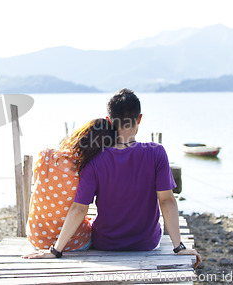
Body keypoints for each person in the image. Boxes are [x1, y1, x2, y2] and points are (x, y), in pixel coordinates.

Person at [23, 89, 201, 268]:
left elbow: (79, 208)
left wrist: (56, 250)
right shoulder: (157, 153)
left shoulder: (94, 159)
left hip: (105, 243)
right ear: (139, 119)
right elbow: (167, 201)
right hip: (147, 243)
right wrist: (178, 247)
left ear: (109, 121)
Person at [26, 118, 116, 251]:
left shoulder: (45, 155)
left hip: (37, 240)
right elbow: (79, 210)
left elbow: (39, 188)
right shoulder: (89, 172)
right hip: (74, 243)